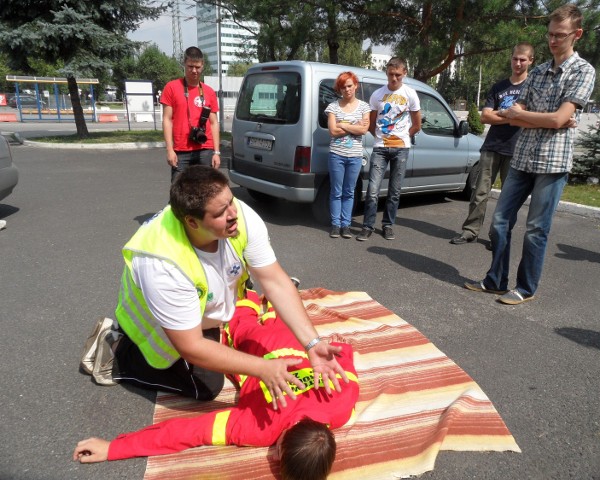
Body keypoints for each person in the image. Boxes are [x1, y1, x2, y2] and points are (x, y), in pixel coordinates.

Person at [84, 166, 347, 403]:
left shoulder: (239, 216)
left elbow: (274, 280)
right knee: (206, 387)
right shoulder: (163, 265)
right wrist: (264, 368)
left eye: (231, 202)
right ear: (192, 222)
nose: (234, 214)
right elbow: (191, 346)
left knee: (226, 347)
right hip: (158, 327)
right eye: (221, 213)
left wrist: (312, 344)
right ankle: (116, 351)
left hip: (199, 314)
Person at [74, 291, 360, 480]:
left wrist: (341, 349)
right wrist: (113, 448)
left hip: (292, 339)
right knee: (238, 322)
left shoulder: (342, 404)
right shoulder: (259, 427)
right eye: (277, 455)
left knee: (261, 318)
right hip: (255, 350)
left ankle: (266, 300)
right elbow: (186, 432)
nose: (271, 455)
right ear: (281, 447)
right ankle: (245, 294)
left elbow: (343, 356)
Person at [465, 4, 595, 305]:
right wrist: (541, 116)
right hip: (523, 157)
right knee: (499, 221)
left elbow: (559, 119)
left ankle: (525, 288)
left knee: (536, 229)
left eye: (560, 36)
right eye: (549, 34)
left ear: (577, 34)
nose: (553, 41)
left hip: (552, 162)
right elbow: (517, 115)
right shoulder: (537, 72)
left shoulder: (583, 71)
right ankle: (496, 280)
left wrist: (537, 117)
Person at [450, 42, 535, 246]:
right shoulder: (499, 87)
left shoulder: (532, 88)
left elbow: (528, 119)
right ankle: (470, 231)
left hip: (516, 149)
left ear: (530, 61)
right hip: (492, 146)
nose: (518, 63)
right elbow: (485, 117)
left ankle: (499, 236)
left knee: (509, 198)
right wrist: (511, 115)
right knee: (479, 192)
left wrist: (504, 115)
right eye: (515, 58)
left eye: (523, 59)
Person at [356, 57, 421, 242]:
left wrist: (403, 137)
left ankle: (388, 225)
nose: (394, 79)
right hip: (380, 148)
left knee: (395, 191)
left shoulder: (410, 94)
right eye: (391, 74)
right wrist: (379, 137)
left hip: (401, 149)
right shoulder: (377, 95)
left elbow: (417, 124)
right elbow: (371, 122)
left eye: (398, 75)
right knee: (373, 190)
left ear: (404, 73)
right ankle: (368, 226)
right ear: (386, 72)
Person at [160, 46, 221, 182]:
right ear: (184, 64)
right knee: (178, 191)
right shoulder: (172, 87)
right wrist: (170, 150)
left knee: (205, 191)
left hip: (205, 149)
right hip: (181, 150)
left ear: (203, 66)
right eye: (190, 66)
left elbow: (213, 122)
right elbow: (167, 119)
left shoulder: (209, 91)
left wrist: (216, 152)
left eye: (198, 67)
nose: (194, 70)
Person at [325, 72, 371, 239]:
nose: (346, 89)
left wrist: (342, 124)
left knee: (349, 192)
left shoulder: (364, 107)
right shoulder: (333, 107)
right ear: (340, 89)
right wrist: (354, 124)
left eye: (349, 85)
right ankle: (336, 225)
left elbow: (364, 130)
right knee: (336, 191)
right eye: (343, 87)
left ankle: (346, 225)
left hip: (355, 156)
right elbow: (332, 131)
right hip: (336, 155)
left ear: (355, 85)